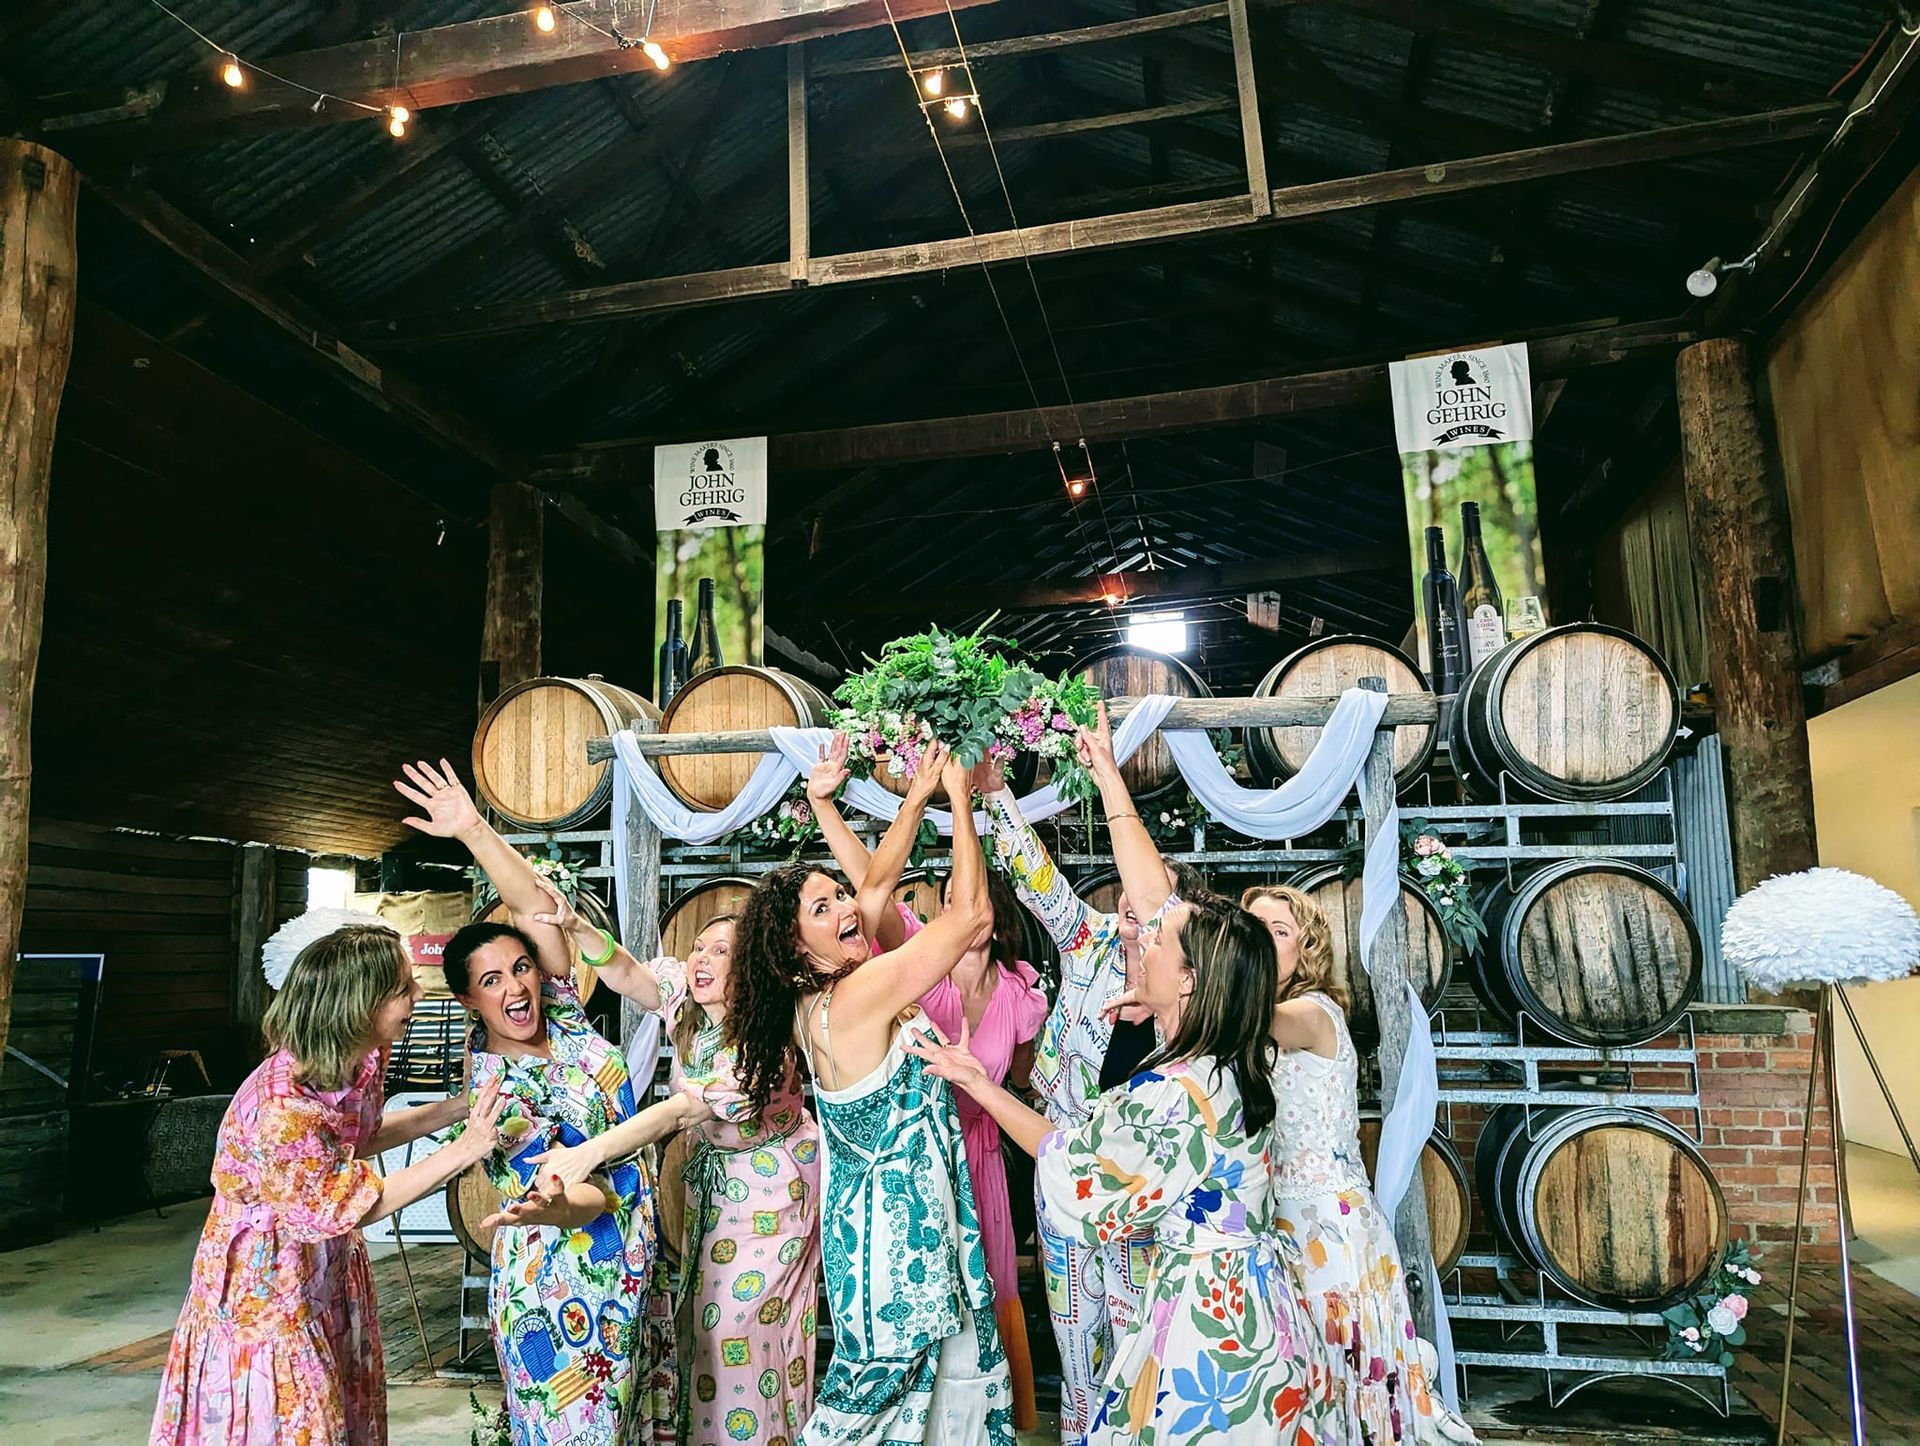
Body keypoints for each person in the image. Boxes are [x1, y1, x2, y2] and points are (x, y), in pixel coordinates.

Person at [909, 893, 1338, 1444]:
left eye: (1159, 940)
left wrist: (976, 1083)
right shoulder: (1233, 1058)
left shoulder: (1171, 1094)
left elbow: (1070, 1164)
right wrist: (1161, 1007)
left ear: (1189, 979)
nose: (1140, 942)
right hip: (1259, 1298)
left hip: (1205, 1317)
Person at [396, 758, 689, 1446]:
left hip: (631, 1268)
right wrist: (570, 1204)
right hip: (563, 1289)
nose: (515, 987)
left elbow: (535, 909)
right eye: (492, 980)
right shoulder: (500, 1090)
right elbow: (569, 1191)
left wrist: (473, 829)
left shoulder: (564, 1018)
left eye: (521, 967)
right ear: (469, 1001)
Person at [729, 746, 1017, 1445]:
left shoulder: (819, 997)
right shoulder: (857, 996)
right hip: (898, 1244)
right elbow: (971, 916)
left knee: (908, 1408)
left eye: (837, 895)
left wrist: (910, 797)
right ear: (796, 949)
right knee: (875, 1410)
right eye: (821, 908)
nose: (846, 908)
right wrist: (957, 799)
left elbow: (876, 888)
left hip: (883, 1233)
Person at [150, 921, 505, 1445]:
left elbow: (363, 1136)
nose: (419, 993)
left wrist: (457, 1108)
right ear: (359, 1003)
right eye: (403, 988)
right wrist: (465, 1148)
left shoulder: (357, 1058)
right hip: (268, 1294)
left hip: (321, 1268)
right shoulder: (282, 1107)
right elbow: (358, 1204)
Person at [808, 738, 1049, 1431]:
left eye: (962, 900)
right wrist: (944, 799)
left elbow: (1023, 1078)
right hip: (911, 1179)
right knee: (919, 1353)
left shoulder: (1019, 994)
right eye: (943, 901)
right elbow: (871, 887)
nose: (954, 910)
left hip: (978, 1156)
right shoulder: (912, 974)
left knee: (982, 1313)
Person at [518, 908, 823, 1446]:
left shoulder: (764, 1045)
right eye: (698, 947)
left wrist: (589, 1152)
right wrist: (576, 925)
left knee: (744, 1328)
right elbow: (627, 973)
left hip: (775, 1191)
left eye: (720, 951)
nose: (700, 960)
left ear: (751, 967)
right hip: (714, 1193)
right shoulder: (687, 1001)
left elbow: (680, 1111)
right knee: (704, 1331)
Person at [975, 742, 1208, 1445]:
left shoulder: (1195, 990)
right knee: (1075, 1335)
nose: (1137, 913)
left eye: (1155, 904)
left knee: (1138, 1334)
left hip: (1142, 1184)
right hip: (1065, 1159)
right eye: (1135, 901)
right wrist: (993, 797)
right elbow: (1036, 879)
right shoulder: (1089, 942)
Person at [1243, 884, 1475, 1444]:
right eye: (1254, 932)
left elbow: (1254, 1020)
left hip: (1332, 1223)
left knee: (1346, 1355)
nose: (1265, 943)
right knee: (1303, 1362)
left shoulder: (1312, 1012)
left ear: (1307, 949)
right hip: (1279, 1218)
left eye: (1279, 933)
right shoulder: (1254, 1017)